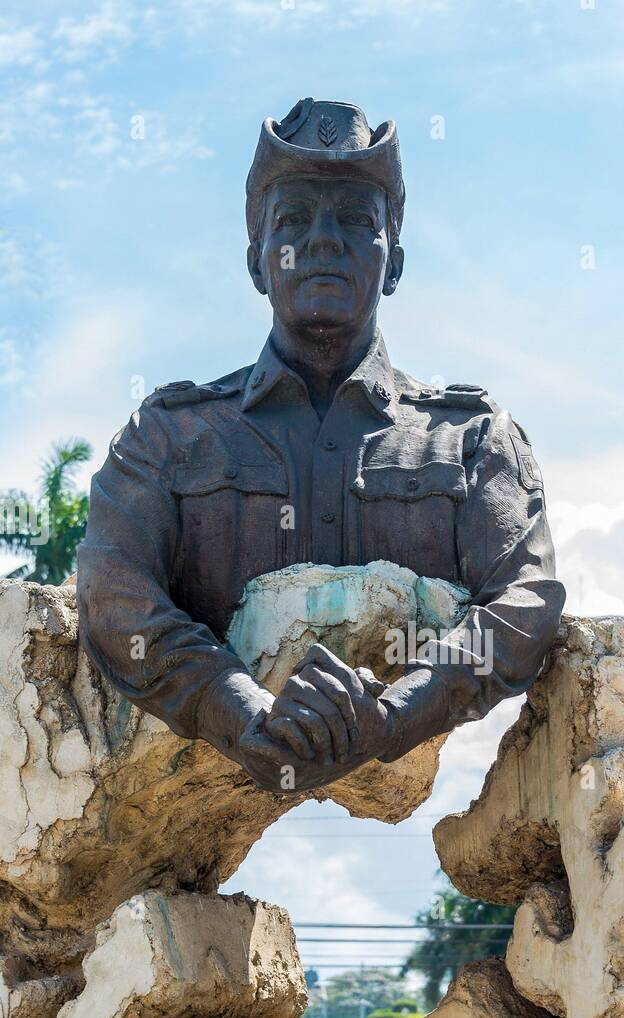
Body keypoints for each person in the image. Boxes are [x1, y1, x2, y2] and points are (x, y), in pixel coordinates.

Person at [77, 98, 565, 793]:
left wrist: (393, 716)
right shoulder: (166, 436)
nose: (324, 241)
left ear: (392, 263)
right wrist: (238, 711)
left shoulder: (472, 439)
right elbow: (112, 593)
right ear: (256, 263)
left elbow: (525, 599)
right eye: (295, 220)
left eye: (355, 221)